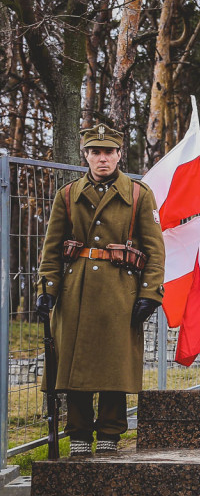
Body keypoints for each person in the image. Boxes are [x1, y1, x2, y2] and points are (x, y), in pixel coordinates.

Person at [35, 123, 165, 457]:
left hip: (120, 292)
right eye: (95, 152)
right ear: (87, 155)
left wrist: (150, 293)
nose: (102, 159)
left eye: (109, 152)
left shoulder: (138, 193)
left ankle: (109, 432)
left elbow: (155, 247)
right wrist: (47, 287)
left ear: (120, 155)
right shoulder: (67, 194)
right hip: (75, 290)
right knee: (73, 367)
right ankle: (78, 433)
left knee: (113, 367)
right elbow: (51, 247)